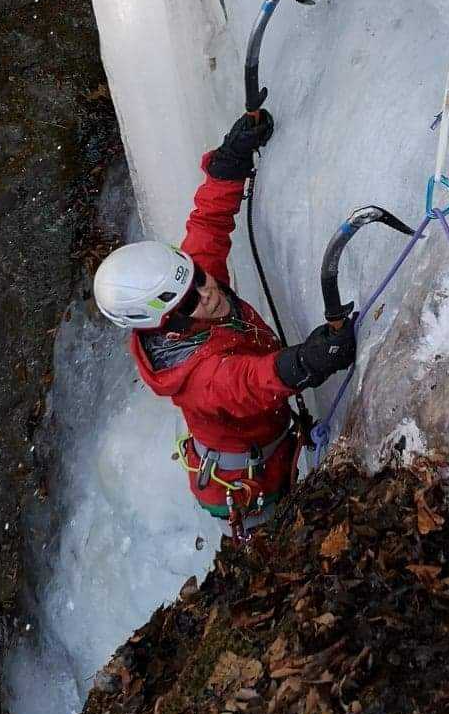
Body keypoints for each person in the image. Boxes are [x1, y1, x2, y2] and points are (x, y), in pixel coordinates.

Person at [92, 111, 356, 533]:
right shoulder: (197, 377)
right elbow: (249, 382)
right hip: (250, 487)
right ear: (165, 324)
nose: (208, 293)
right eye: (188, 302)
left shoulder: (190, 289)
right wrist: (308, 361)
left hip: (268, 446)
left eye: (199, 279)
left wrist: (228, 163)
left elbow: (208, 226)